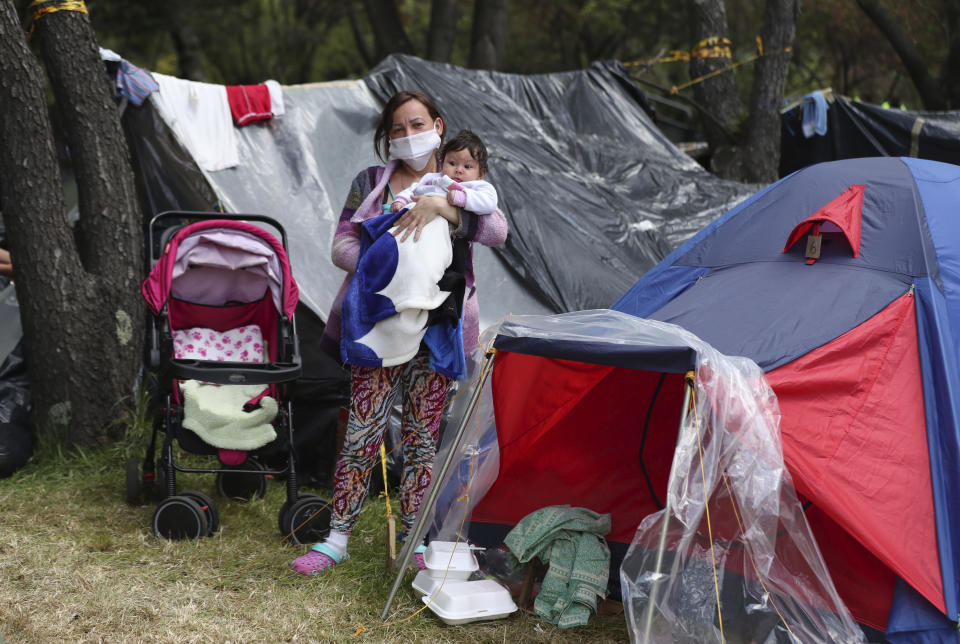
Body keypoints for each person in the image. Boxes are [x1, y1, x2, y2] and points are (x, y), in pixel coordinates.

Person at [292, 90, 508, 575]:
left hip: (438, 329)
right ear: (387, 137)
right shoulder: (372, 183)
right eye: (397, 129)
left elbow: (495, 231)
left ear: (437, 123)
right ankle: (336, 539)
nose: (408, 136)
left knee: (421, 440)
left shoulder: (461, 176)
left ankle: (414, 540)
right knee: (362, 432)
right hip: (378, 324)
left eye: (416, 124)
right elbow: (341, 245)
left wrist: (442, 208)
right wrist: (386, 262)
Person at [389, 129, 497, 216]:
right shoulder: (432, 178)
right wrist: (401, 201)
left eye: (467, 166)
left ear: (481, 174)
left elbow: (489, 203)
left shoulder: (478, 186)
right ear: (443, 162)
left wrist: (463, 198)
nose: (458, 170)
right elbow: (413, 190)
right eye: (452, 163)